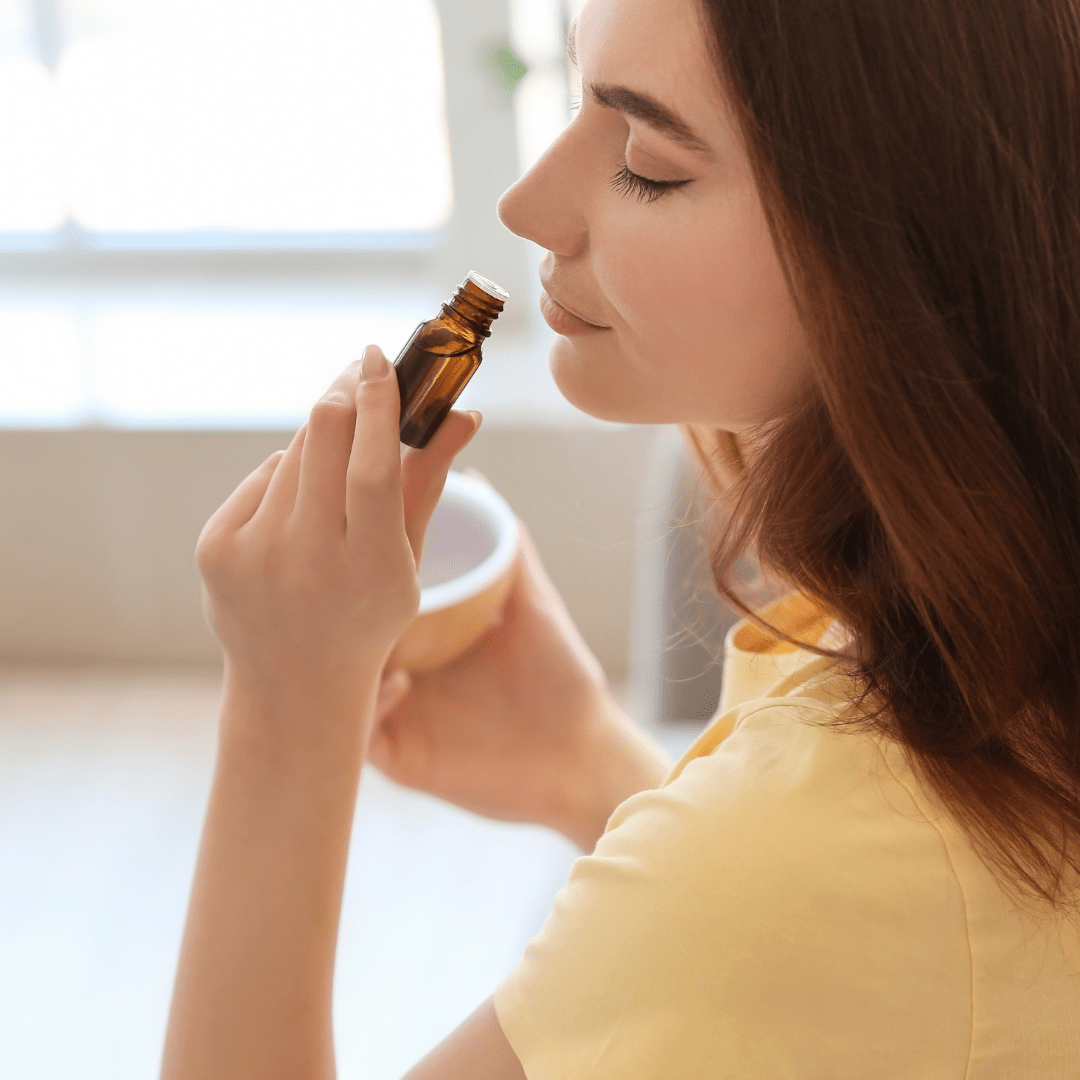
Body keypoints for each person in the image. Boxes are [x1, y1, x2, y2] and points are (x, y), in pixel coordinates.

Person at [160, 0, 1080, 1074]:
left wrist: (285, 709)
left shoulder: (796, 863)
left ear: (901, 246)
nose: (526, 203)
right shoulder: (991, 622)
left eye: (645, 158)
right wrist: (588, 767)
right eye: (575, 97)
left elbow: (812, 901)